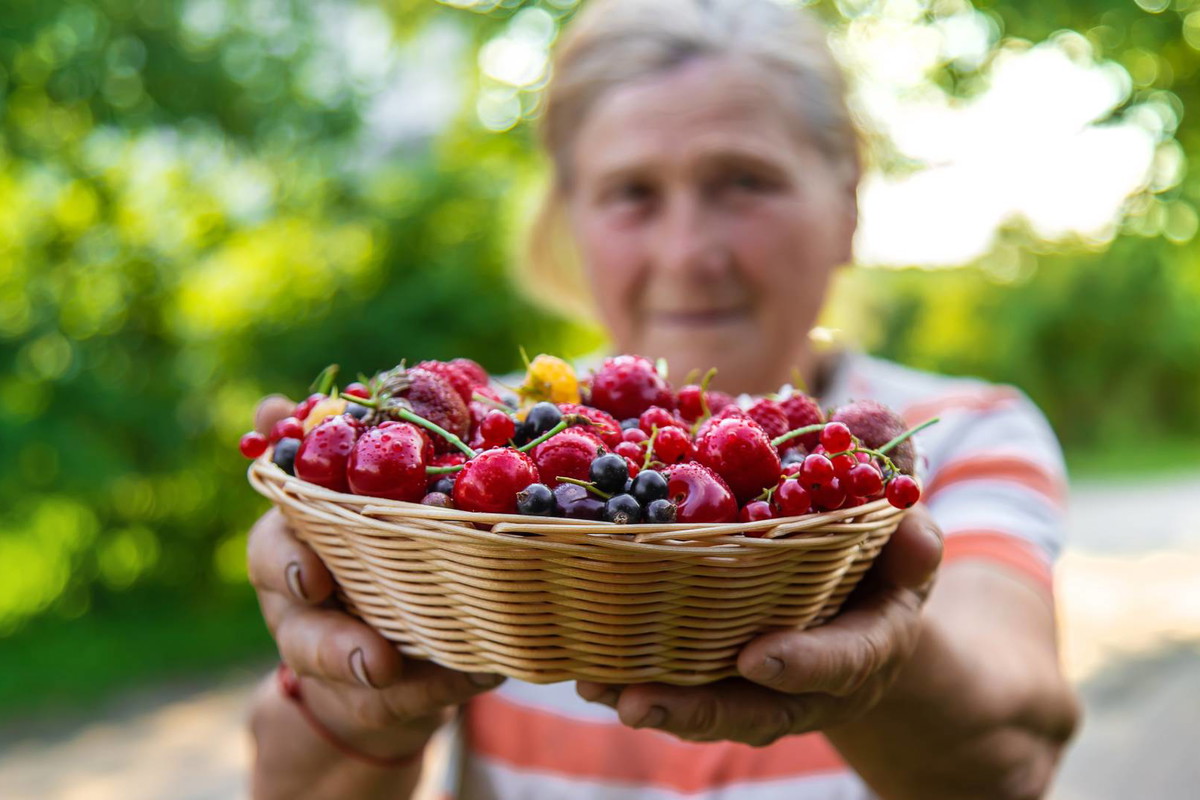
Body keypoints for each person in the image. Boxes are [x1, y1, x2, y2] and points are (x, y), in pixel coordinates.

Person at [246, 0, 1081, 797]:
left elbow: (1011, 759)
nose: (689, 252)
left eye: (744, 181)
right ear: (571, 218)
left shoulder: (952, 441)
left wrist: (879, 666)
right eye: (633, 194)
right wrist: (368, 690)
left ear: (849, 198)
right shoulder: (470, 454)